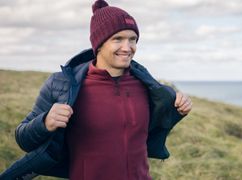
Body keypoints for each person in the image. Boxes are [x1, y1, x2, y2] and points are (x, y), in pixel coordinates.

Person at [0, 0, 192, 179]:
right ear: (99, 44)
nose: (128, 47)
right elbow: (23, 139)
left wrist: (177, 109)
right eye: (118, 39)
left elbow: (154, 128)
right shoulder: (63, 86)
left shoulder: (146, 85)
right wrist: (45, 122)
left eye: (133, 39)